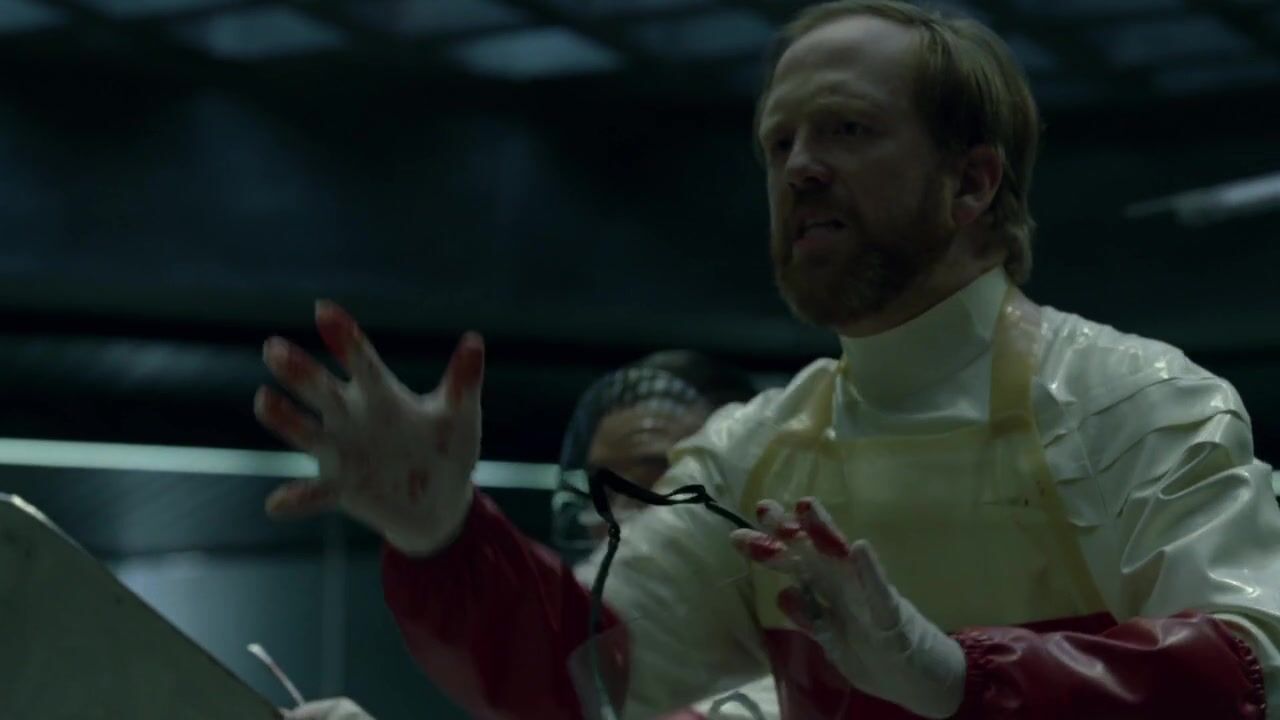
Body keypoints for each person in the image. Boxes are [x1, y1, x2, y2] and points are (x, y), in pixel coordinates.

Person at [253, 1, 1280, 718]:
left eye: (846, 129)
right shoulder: (750, 455)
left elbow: (1255, 667)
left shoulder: (1131, 405)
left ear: (971, 184)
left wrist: (953, 677)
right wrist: (445, 537)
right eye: (778, 144)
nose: (799, 168)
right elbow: (597, 684)